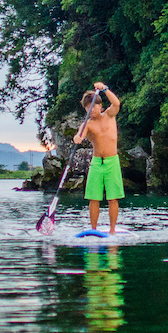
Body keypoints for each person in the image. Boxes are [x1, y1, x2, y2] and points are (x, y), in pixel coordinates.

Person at [74, 82, 124, 234]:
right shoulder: (87, 124)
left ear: (100, 106)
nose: (92, 109)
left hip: (112, 161)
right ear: (85, 109)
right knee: (93, 197)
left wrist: (105, 89)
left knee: (113, 198)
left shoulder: (109, 115)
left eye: (94, 106)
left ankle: (112, 230)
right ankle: (93, 230)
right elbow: (80, 135)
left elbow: (116, 103)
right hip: (96, 163)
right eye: (88, 107)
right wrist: (77, 137)